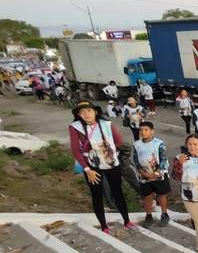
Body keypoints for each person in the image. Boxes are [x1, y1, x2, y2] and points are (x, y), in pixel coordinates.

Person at [69, 100, 133, 234]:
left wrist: (109, 150)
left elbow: (119, 141)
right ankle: (104, 226)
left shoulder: (106, 124)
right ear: (79, 115)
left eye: (88, 111)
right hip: (92, 166)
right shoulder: (76, 127)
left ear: (95, 112)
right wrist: (87, 169)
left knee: (117, 192)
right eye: (82, 112)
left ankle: (127, 221)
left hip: (110, 162)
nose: (86, 114)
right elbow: (76, 150)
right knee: (97, 195)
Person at [132, 121, 171, 227]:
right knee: (147, 196)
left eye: (146, 130)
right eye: (141, 130)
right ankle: (148, 215)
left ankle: (164, 214)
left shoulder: (159, 144)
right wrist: (142, 172)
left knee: (162, 194)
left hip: (158, 174)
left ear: (152, 131)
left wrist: (156, 173)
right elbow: (135, 160)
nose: (143, 132)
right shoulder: (136, 145)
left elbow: (163, 159)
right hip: (144, 175)